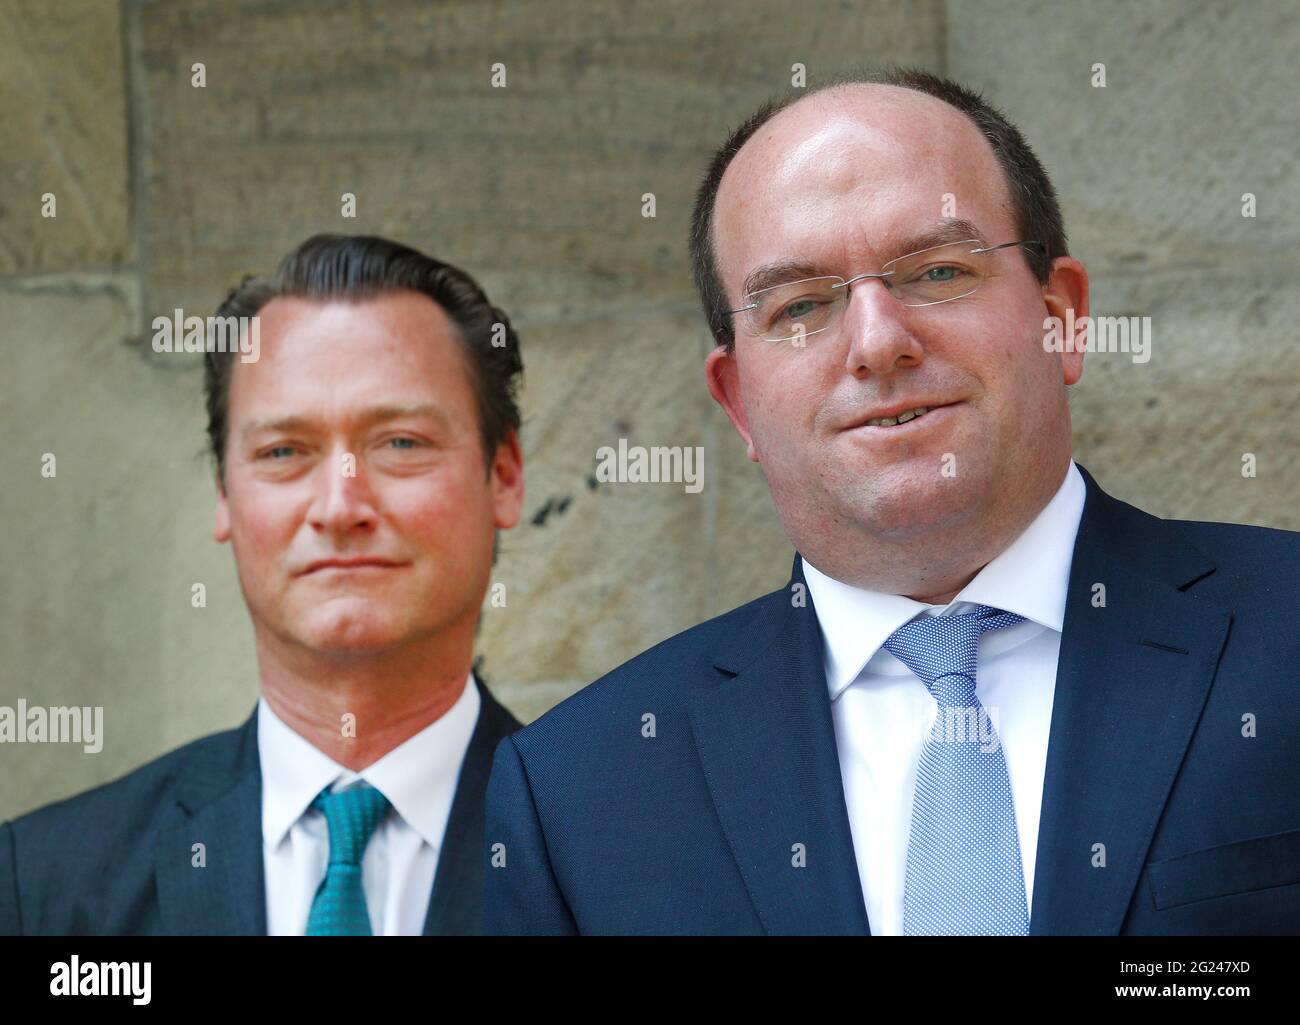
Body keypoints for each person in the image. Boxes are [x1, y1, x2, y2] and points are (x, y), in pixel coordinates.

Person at [483, 68, 1300, 935]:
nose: (877, 343)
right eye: (800, 305)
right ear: (736, 401)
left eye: (937, 269)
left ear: (1062, 317)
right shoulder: (578, 793)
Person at [0, 235, 526, 935]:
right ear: (223, 490)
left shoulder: (626, 855)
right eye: (284, 452)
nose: (340, 508)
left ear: (505, 475)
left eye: (401, 442)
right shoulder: (42, 887)